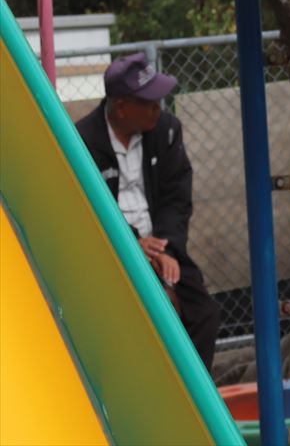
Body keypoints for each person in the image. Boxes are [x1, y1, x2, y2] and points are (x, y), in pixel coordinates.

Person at [77, 55, 221, 369]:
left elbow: (177, 196)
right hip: (113, 250)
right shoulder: (83, 142)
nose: (158, 108)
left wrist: (167, 247)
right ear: (121, 107)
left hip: (161, 243)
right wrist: (131, 244)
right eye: (149, 102)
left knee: (203, 313)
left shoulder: (165, 130)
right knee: (147, 318)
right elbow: (88, 209)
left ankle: (193, 392)